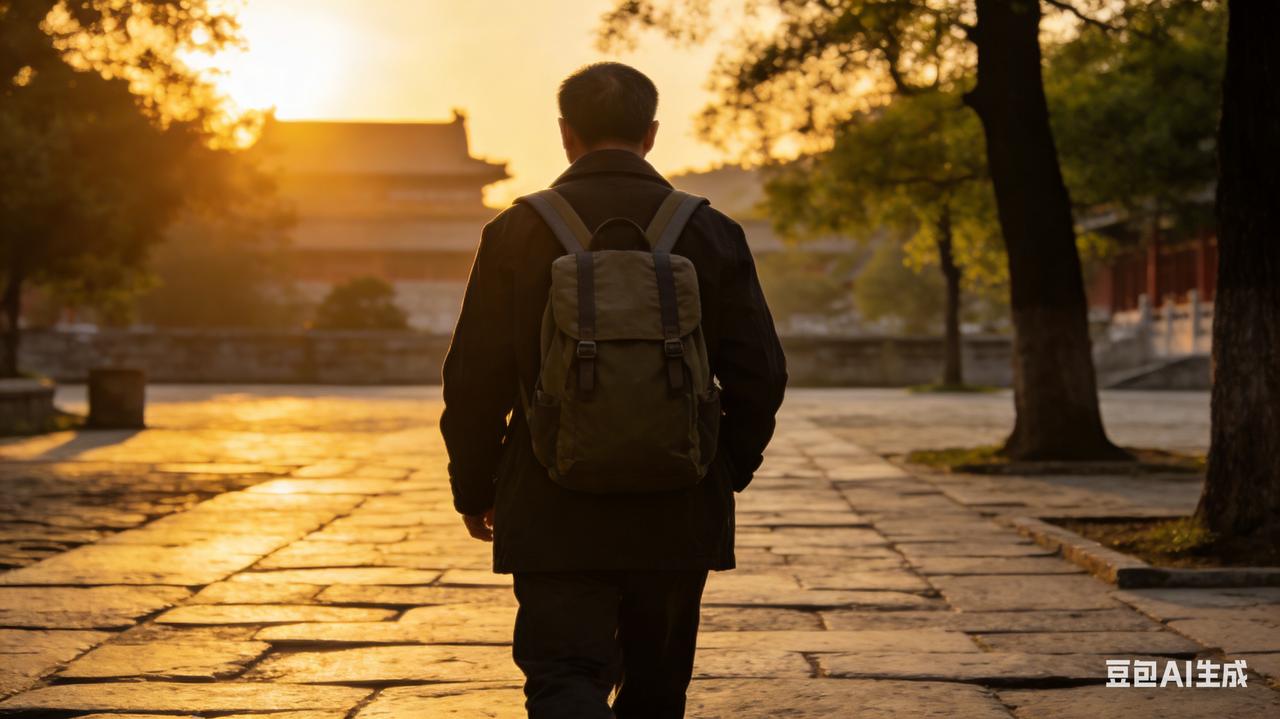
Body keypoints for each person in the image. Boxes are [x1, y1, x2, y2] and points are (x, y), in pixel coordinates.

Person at [440, 61, 787, 719]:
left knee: (563, 676)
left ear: (566, 134)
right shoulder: (710, 231)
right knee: (656, 691)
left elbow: (473, 378)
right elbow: (761, 373)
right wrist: (719, 469)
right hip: (678, 504)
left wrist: (477, 488)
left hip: (549, 498)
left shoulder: (516, 231)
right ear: (651, 133)